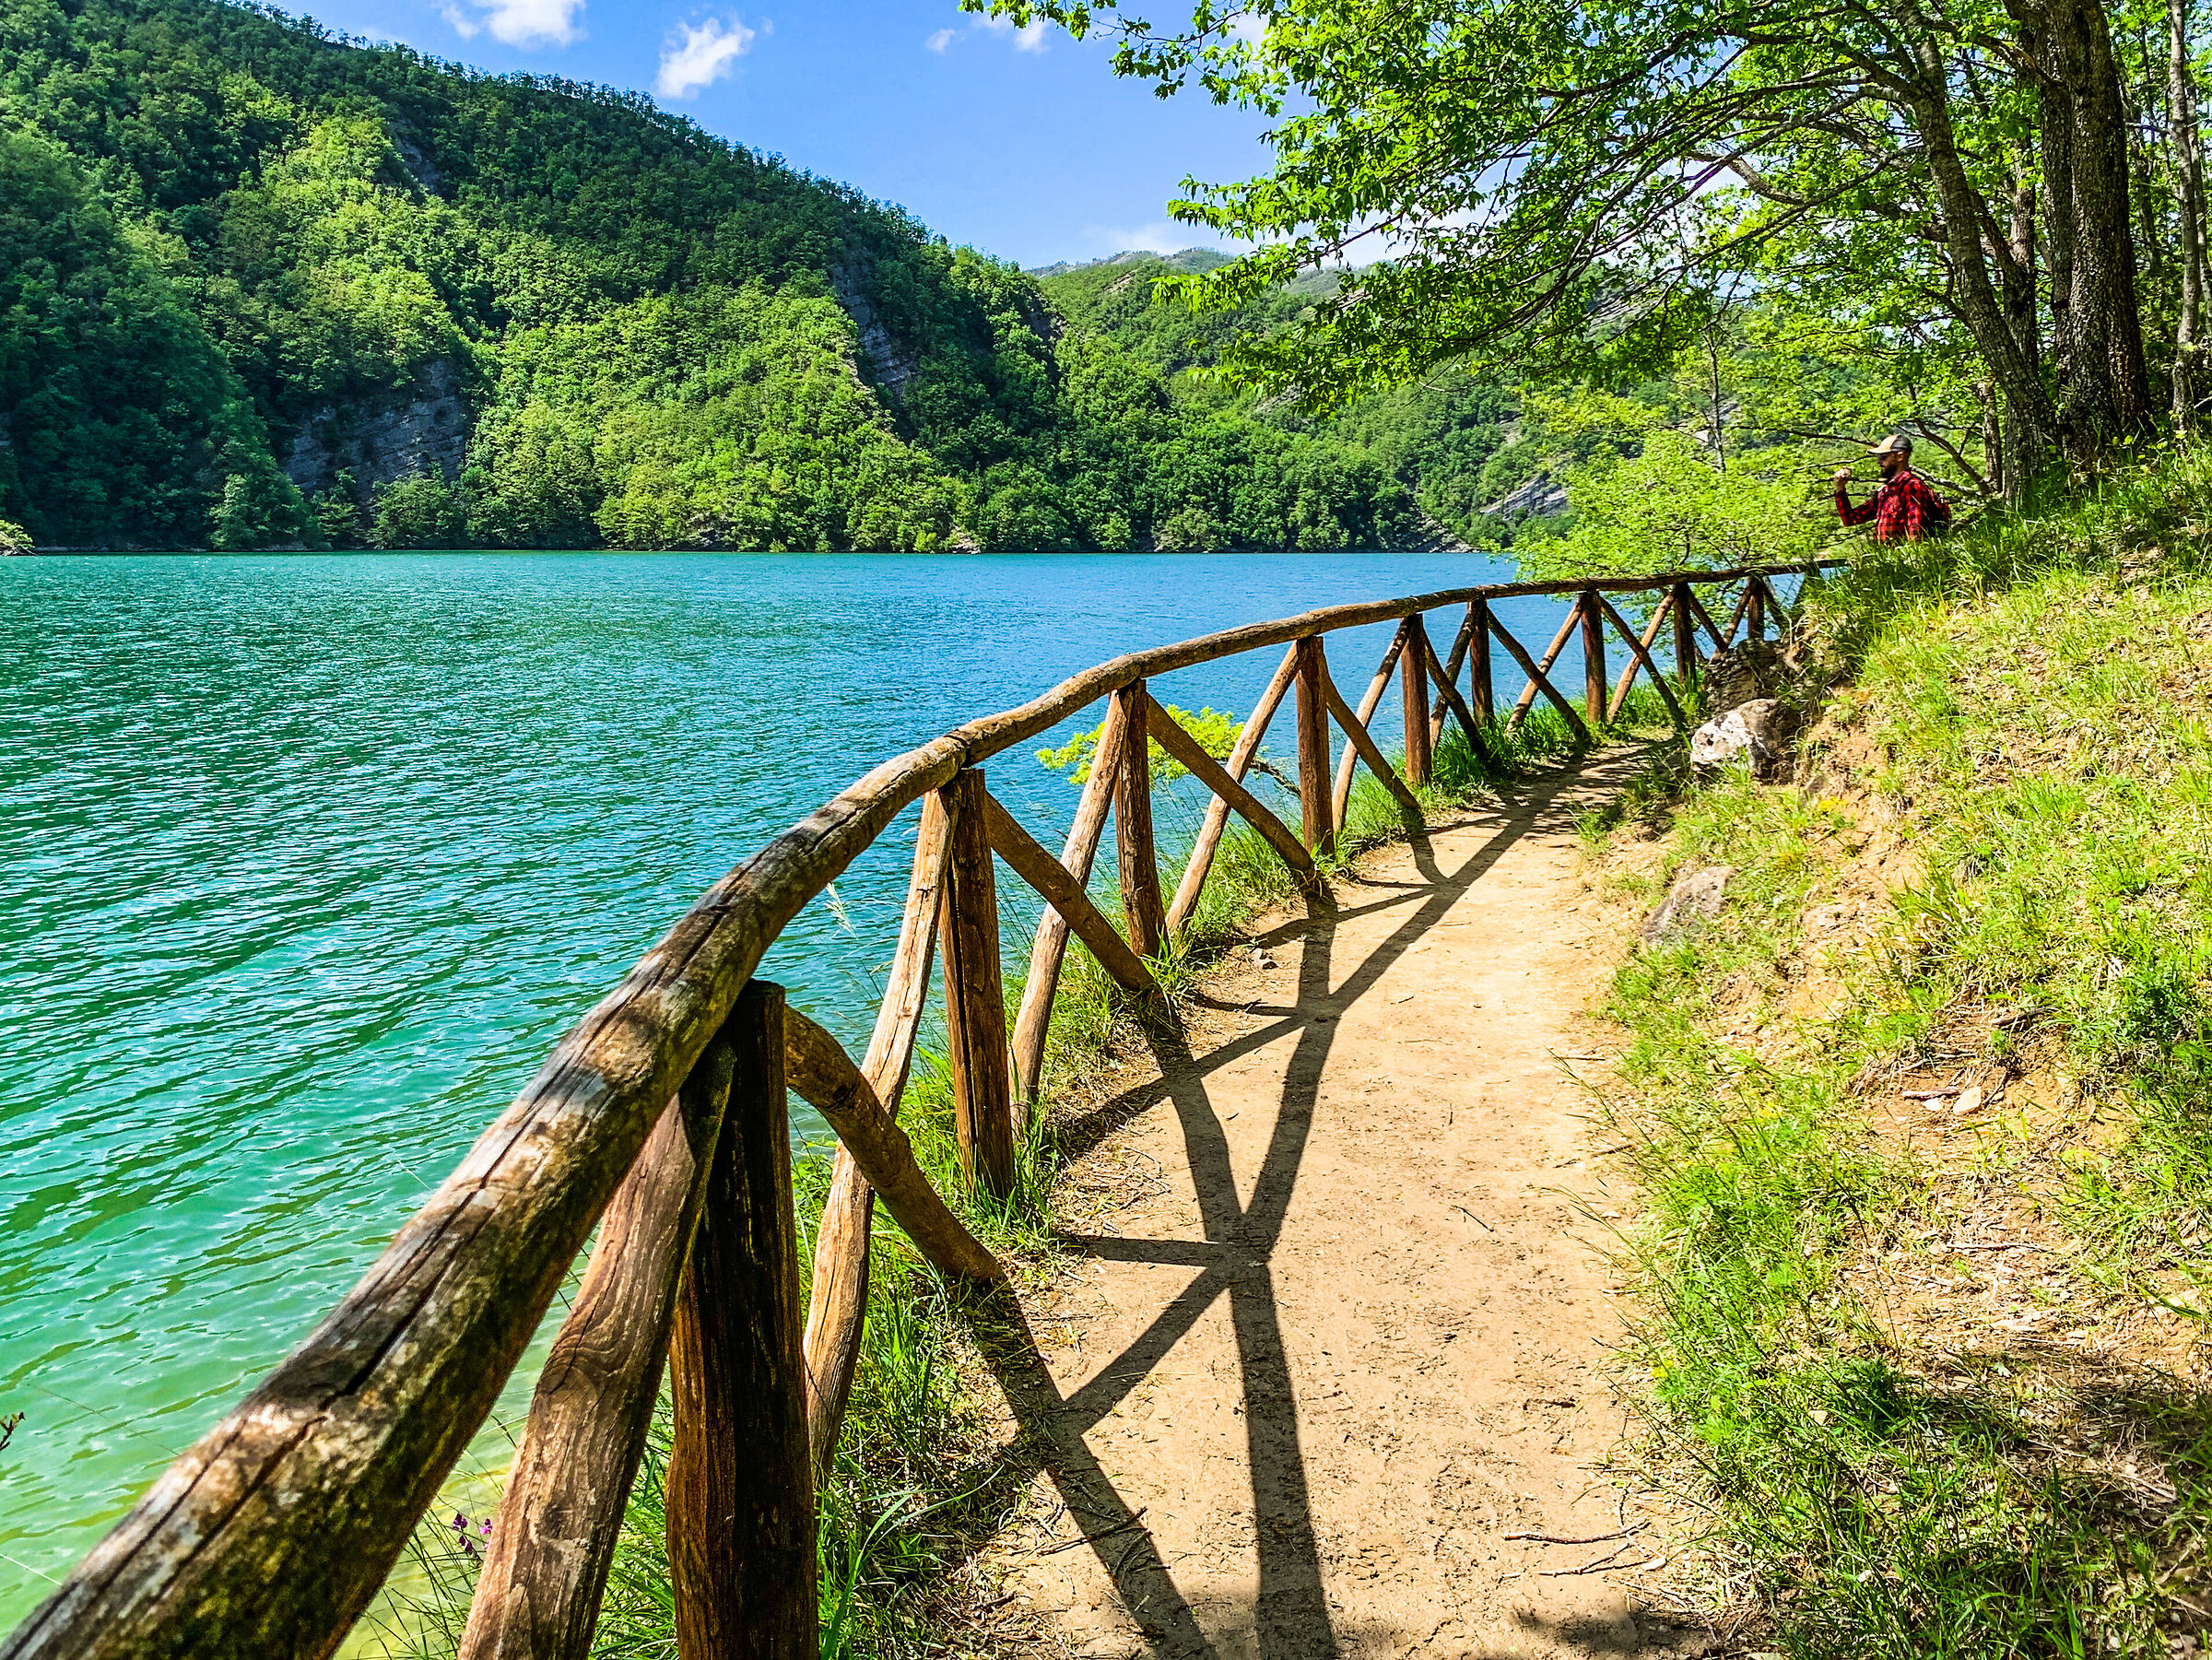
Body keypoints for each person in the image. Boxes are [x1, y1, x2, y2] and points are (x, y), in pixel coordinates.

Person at [1834, 433, 1951, 542]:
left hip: (1906, 561)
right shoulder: (1886, 491)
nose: (1879, 462)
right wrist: (1840, 489)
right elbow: (1851, 519)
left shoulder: (1912, 486)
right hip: (1891, 560)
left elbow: (1916, 532)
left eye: (1883, 457)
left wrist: (1911, 561)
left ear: (1900, 456)